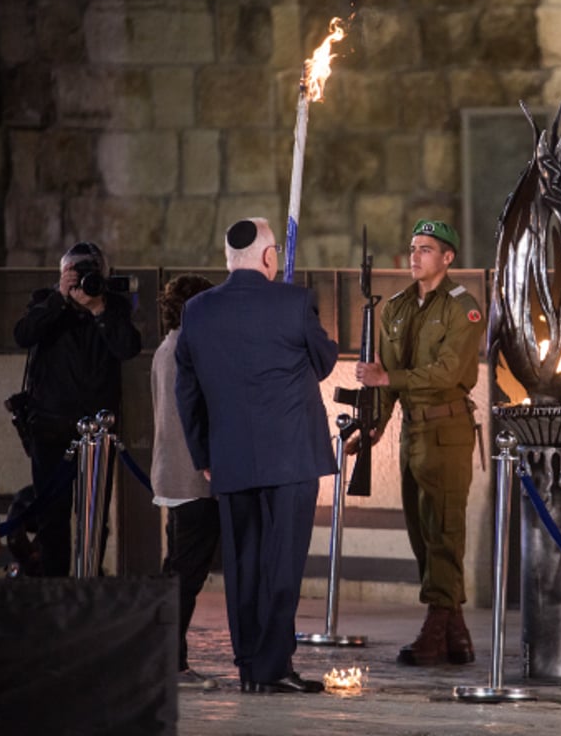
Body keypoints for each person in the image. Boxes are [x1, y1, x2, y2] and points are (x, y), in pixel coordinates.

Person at [175, 218, 337, 695]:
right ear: (271, 258)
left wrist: (203, 451)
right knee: (282, 563)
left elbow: (187, 389)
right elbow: (325, 361)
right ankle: (273, 667)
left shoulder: (197, 311)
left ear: (229, 259)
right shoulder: (294, 301)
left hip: (231, 457)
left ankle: (249, 664)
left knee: (243, 564)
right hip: (292, 458)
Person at [354, 219, 486, 666]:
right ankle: (455, 633)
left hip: (446, 430)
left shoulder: (462, 308)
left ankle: (436, 626)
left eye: (426, 249)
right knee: (421, 533)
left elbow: (448, 372)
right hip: (411, 429)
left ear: (448, 259)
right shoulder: (395, 307)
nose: (415, 256)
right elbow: (387, 380)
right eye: (412, 247)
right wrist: (373, 425)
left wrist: (387, 378)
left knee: (444, 530)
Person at [13, 242, 142, 577]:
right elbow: (23, 335)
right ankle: (54, 587)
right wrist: (59, 298)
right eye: (76, 274)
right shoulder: (47, 301)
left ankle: (90, 580)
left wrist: (98, 309)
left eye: (90, 274)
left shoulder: (112, 305)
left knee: (94, 512)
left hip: (98, 429)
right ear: (62, 275)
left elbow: (128, 347)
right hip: (50, 427)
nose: (84, 281)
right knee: (51, 514)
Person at [151, 273, 219, 686]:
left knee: (175, 570)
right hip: (192, 478)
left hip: (172, 475)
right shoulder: (189, 351)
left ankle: (162, 657)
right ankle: (171, 663)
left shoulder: (168, 346)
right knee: (185, 577)